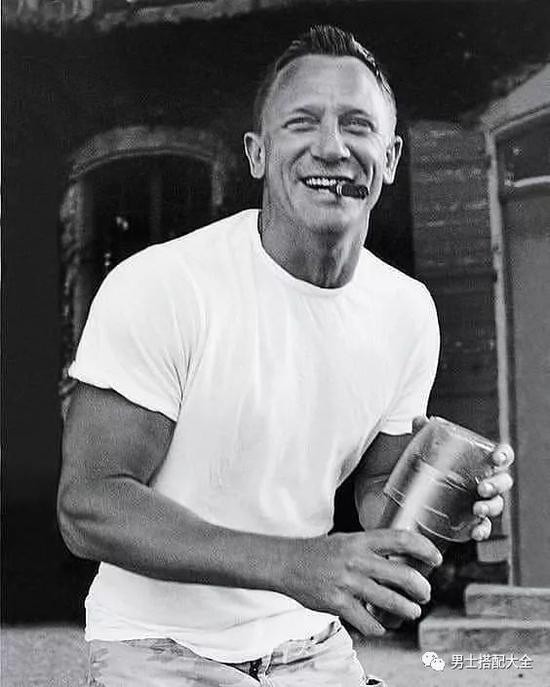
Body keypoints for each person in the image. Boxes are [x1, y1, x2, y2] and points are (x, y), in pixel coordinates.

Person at [58, 25, 514, 687]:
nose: (332, 147)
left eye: (357, 125)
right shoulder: (164, 287)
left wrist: (441, 502)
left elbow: (375, 490)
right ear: (258, 153)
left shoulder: (407, 310)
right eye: (302, 123)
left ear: (389, 158)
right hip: (156, 644)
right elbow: (88, 505)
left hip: (308, 642)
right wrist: (296, 565)